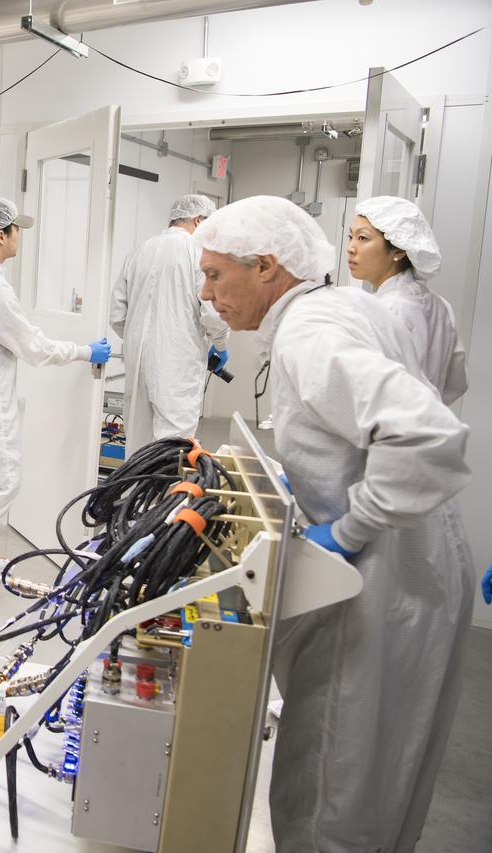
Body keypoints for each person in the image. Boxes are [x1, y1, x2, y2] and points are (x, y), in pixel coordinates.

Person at [195, 195, 473, 853]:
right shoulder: (345, 305)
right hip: (415, 567)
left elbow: (429, 433)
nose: (207, 296)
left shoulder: (309, 332)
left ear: (266, 267)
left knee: (329, 793)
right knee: (379, 783)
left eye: (214, 276)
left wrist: (348, 527)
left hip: (379, 581)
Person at [0, 198, 110, 595]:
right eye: (17, 229)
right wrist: (84, 351)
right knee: (2, 483)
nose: (20, 237)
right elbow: (32, 347)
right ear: (1, 235)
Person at [110, 194, 228, 452]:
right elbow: (214, 311)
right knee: (174, 443)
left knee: (138, 444)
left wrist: (140, 337)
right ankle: (168, 493)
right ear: (199, 221)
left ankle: (135, 492)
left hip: (138, 359)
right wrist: (219, 343)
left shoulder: (140, 251)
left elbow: (117, 315)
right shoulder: (199, 253)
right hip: (177, 363)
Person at [350, 196, 468, 404]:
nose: (351, 247)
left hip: (390, 431)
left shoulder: (386, 309)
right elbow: (457, 383)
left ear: (398, 249)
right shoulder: (440, 306)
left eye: (363, 238)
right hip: (427, 425)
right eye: (351, 236)